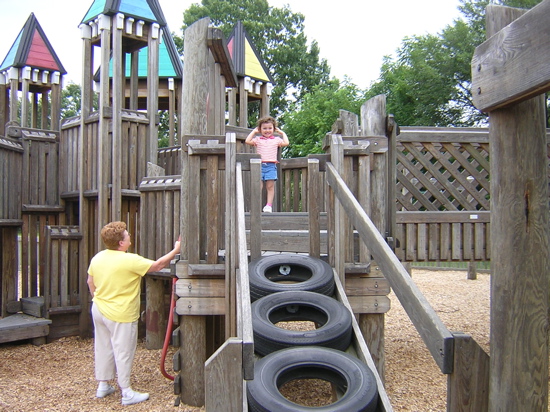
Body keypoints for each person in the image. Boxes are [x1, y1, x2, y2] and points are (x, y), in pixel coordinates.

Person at [87, 221, 180, 406]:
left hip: (98, 308)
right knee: (123, 351)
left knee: (103, 346)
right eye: (127, 235)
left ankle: (103, 385)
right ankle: (127, 392)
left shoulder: (98, 257)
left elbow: (90, 282)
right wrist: (176, 249)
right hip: (121, 313)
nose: (129, 237)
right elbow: (158, 265)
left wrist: (99, 298)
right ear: (121, 243)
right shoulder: (129, 260)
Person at [245, 116, 289, 212]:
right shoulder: (258, 139)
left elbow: (286, 142)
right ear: (260, 129)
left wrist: (282, 133)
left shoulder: (276, 139)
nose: (267, 130)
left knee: (270, 186)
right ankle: (256, 205)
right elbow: (247, 141)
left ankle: (268, 205)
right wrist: (254, 131)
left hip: (271, 165)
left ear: (274, 129)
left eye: (270, 128)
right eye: (264, 128)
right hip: (259, 165)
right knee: (258, 186)